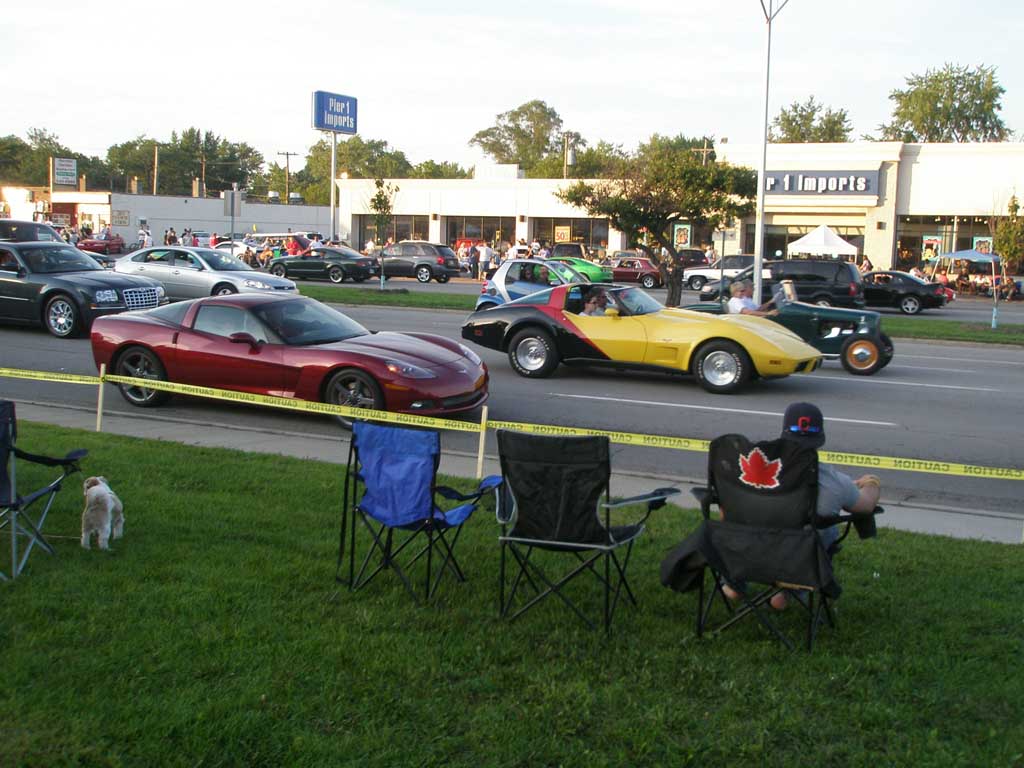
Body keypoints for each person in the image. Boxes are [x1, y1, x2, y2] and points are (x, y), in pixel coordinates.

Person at [723, 402, 882, 610]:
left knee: (742, 520)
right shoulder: (833, 482)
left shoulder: (752, 473)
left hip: (746, 553)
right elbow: (866, 506)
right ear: (819, 439)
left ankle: (733, 583)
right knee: (824, 531)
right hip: (798, 562)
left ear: (784, 433)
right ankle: (788, 592)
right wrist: (871, 482)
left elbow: (726, 507)